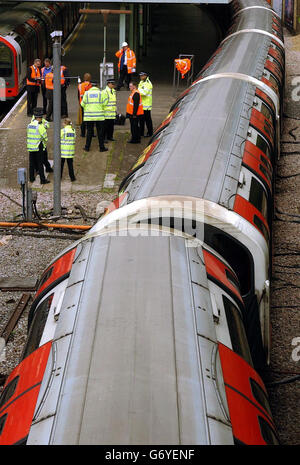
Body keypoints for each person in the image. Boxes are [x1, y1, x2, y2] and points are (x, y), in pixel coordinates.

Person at [80, 83, 108, 152]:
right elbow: (105, 103)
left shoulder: (86, 93)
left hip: (89, 116)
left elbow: (82, 104)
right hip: (99, 116)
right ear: (97, 86)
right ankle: (102, 148)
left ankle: (87, 147)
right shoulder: (101, 93)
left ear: (91, 86)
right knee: (100, 132)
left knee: (89, 132)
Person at [27, 108, 50, 184]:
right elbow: (45, 137)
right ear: (39, 118)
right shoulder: (40, 126)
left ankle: (31, 178)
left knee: (31, 163)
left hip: (31, 146)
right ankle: (42, 180)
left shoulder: (29, 125)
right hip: (38, 146)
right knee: (40, 163)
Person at [138, 71, 153, 137]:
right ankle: (141, 133)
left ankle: (150, 133)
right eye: (140, 76)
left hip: (146, 106)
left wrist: (137, 91)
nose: (141, 77)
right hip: (141, 105)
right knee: (141, 120)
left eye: (142, 76)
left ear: (146, 76)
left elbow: (144, 93)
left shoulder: (148, 84)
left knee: (148, 120)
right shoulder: (141, 82)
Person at [78, 73, 93, 137]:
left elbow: (78, 95)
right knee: (91, 119)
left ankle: (83, 133)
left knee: (83, 119)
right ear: (90, 78)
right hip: (90, 104)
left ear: (84, 78)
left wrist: (80, 102)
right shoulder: (91, 85)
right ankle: (91, 133)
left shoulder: (80, 85)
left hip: (82, 103)